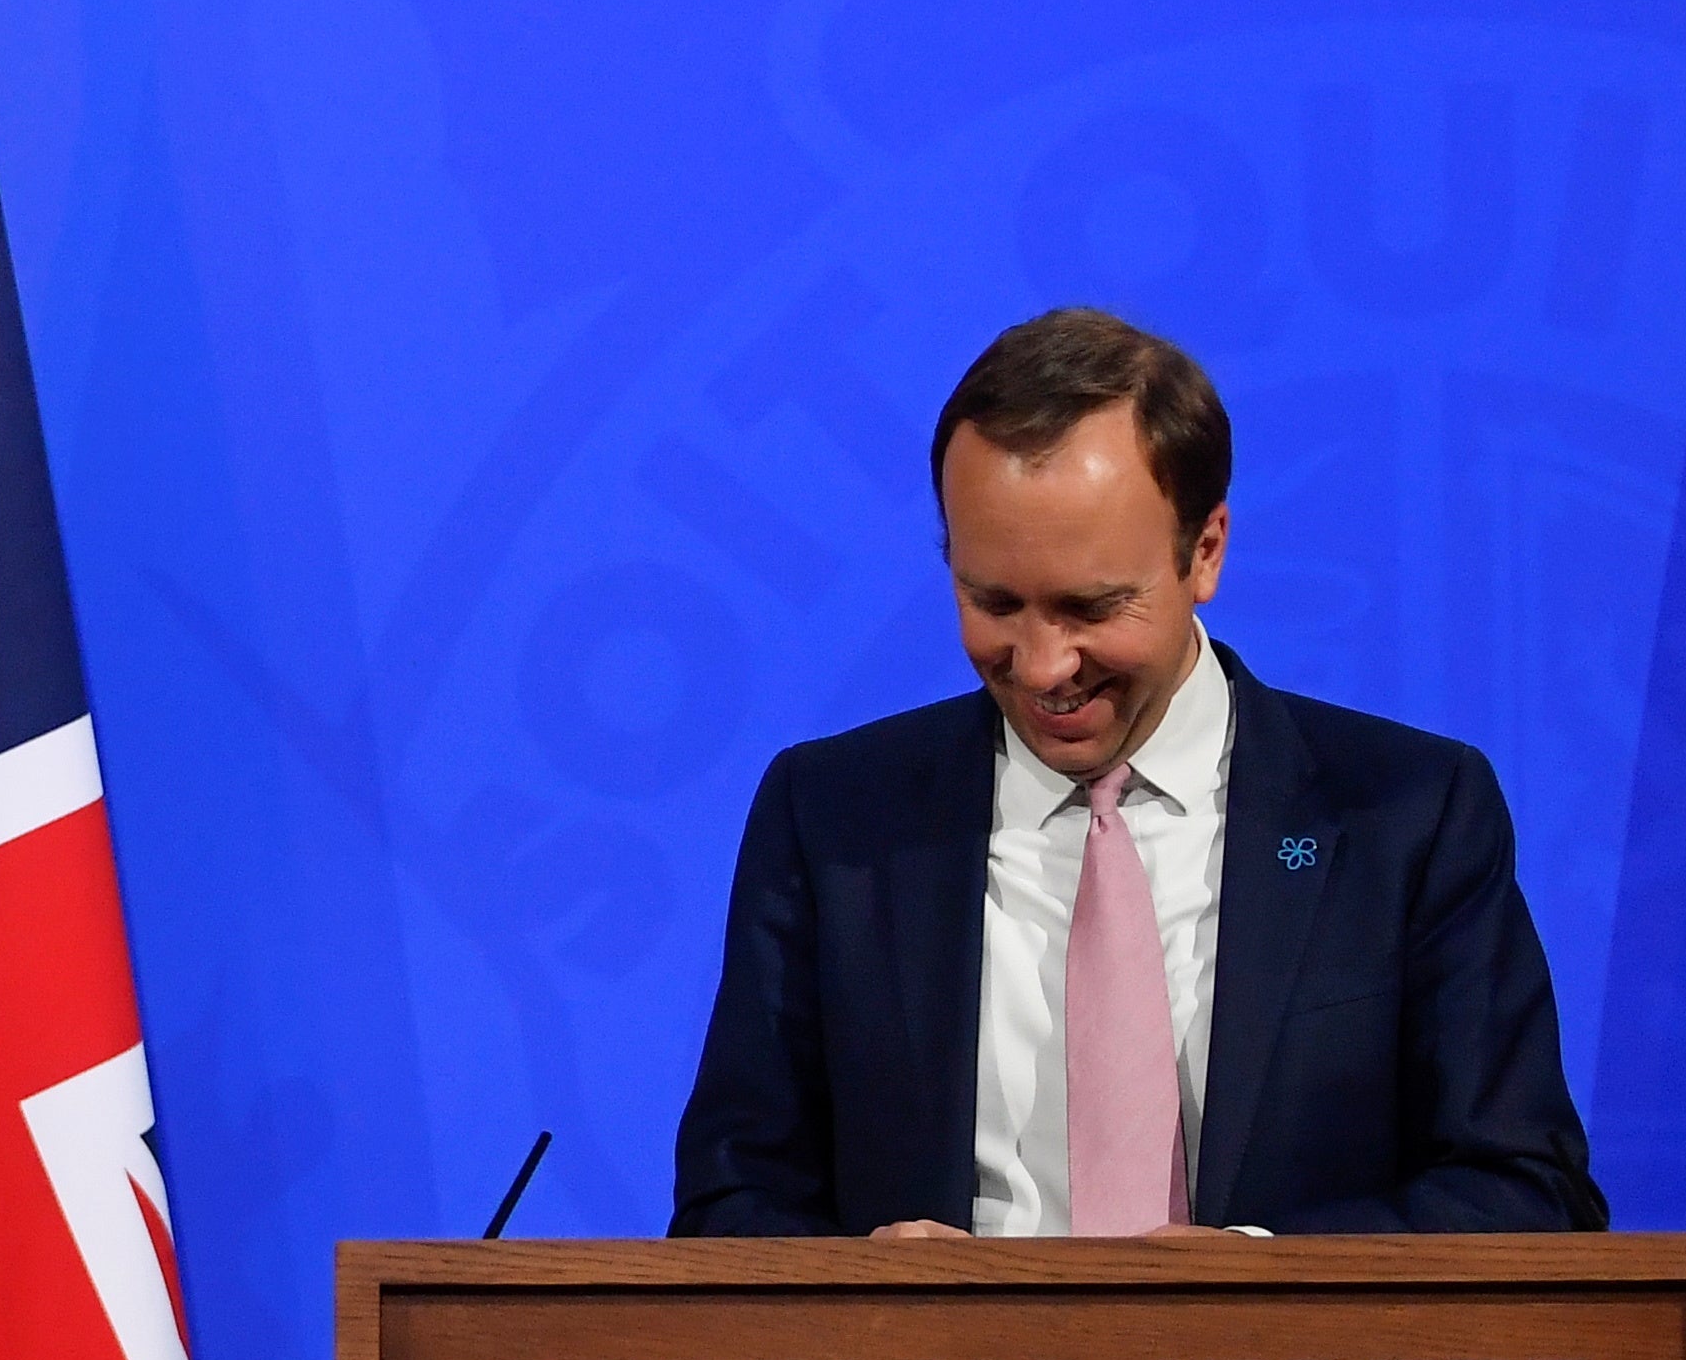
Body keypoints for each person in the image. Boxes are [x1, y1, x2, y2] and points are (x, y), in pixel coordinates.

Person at [672, 307, 1603, 1238]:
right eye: (991, 600)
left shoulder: (1408, 816)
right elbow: (731, 1204)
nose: (1041, 667)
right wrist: (861, 1292)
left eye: (1091, 607)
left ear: (1205, 552)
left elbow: (1524, 1194)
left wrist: (1261, 1289)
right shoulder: (834, 818)